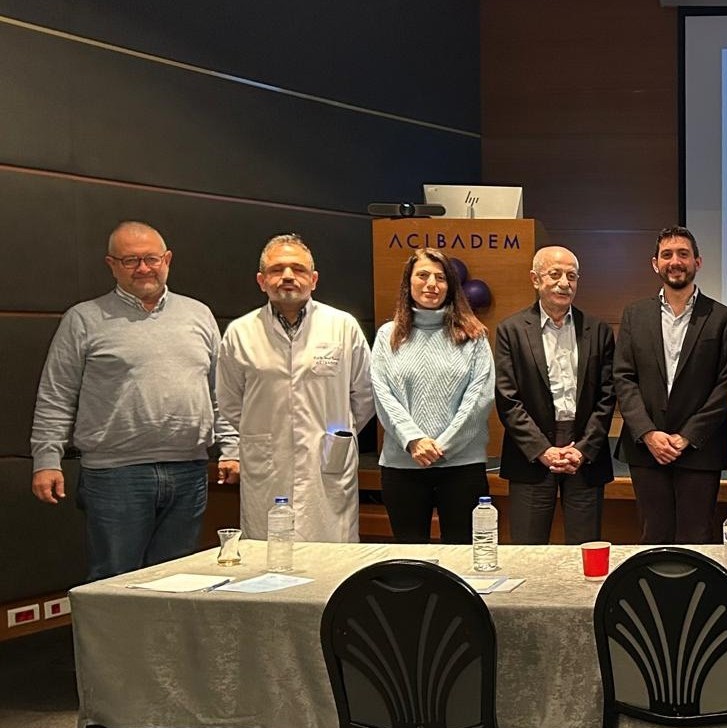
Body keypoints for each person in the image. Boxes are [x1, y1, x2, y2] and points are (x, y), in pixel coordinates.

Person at [30, 221, 238, 580]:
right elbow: (56, 394)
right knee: (114, 581)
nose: (143, 268)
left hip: (189, 470)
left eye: (151, 259)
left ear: (167, 260)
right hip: (115, 475)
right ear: (111, 264)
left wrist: (231, 447)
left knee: (178, 580)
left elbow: (220, 391)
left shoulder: (199, 314)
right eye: (130, 261)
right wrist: (46, 459)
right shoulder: (84, 319)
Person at [218, 234, 374, 542]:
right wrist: (264, 432)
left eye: (298, 269)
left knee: (331, 555)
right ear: (261, 281)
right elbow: (230, 401)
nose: (288, 276)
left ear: (313, 279)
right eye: (277, 269)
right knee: (269, 553)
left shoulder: (343, 326)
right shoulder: (240, 332)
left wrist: (336, 433)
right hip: (267, 463)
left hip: (327, 462)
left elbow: (364, 395)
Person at [613, 227, 727, 543]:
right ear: (655, 263)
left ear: (697, 261)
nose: (675, 261)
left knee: (696, 538)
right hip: (647, 449)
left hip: (699, 450)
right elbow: (624, 378)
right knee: (652, 536)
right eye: (667, 255)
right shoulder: (634, 315)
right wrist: (648, 433)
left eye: (683, 254)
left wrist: (686, 436)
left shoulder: (723, 318)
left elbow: (726, 386)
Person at [370, 249, 494, 544]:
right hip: (403, 465)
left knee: (463, 556)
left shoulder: (474, 335)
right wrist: (414, 440)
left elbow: (480, 398)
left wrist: (442, 445)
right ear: (408, 282)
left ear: (451, 285)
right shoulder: (388, 335)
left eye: (440, 278)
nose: (431, 284)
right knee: (411, 556)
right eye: (423, 275)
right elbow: (382, 393)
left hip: (462, 466)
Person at [495, 246, 616, 544]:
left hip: (584, 455)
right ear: (535, 279)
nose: (564, 283)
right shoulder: (511, 330)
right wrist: (542, 450)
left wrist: (583, 449)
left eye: (571, 276)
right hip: (531, 456)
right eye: (555, 274)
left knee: (586, 550)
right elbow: (508, 399)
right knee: (528, 551)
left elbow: (608, 396)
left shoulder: (598, 330)